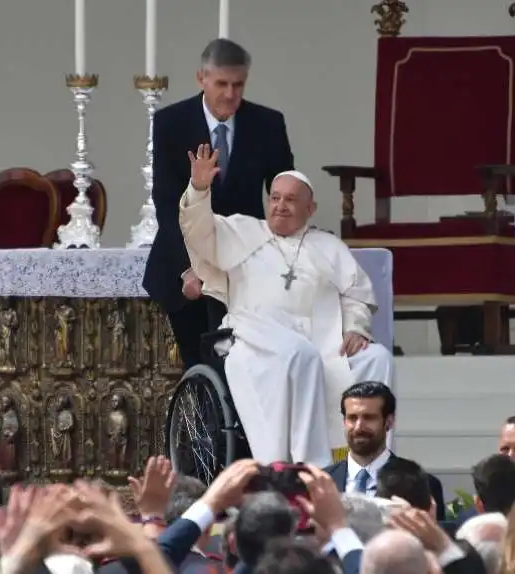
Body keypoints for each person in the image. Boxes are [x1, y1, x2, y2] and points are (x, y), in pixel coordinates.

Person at [178, 145, 394, 467]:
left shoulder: (328, 246)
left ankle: (376, 462)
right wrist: (199, 188)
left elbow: (356, 294)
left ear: (311, 208)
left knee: (377, 358)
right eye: (275, 197)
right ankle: (311, 466)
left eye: (291, 200)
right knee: (300, 355)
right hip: (255, 338)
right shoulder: (243, 231)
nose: (280, 206)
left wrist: (354, 327)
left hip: (322, 342)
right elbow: (197, 230)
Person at [143, 38, 294, 370]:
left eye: (238, 85)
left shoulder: (267, 124)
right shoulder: (170, 123)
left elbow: (285, 193)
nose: (230, 94)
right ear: (201, 79)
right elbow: (166, 203)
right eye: (221, 84)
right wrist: (188, 269)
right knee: (201, 368)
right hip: (187, 271)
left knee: (246, 368)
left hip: (244, 266)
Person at [323, 382, 445, 520]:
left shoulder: (423, 484)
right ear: (344, 421)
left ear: (389, 421)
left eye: (369, 418)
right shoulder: (321, 481)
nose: (358, 427)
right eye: (352, 418)